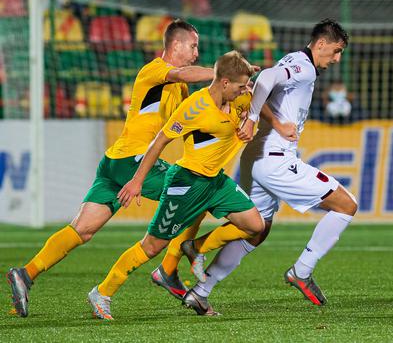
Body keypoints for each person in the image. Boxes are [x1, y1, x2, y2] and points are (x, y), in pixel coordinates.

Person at [6, 19, 215, 318]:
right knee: (198, 194)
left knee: (83, 230)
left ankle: (25, 274)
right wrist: (221, 73)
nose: (196, 53)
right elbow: (184, 72)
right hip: (133, 162)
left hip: (115, 162)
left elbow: (190, 122)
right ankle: (166, 271)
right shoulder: (154, 70)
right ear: (176, 45)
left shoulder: (179, 87)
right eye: (193, 46)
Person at [171, 19, 355, 314]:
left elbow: (259, 86)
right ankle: (302, 271)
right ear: (321, 44)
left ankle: (200, 290)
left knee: (256, 231)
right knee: (346, 205)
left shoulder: (294, 61)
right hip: (276, 160)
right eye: (336, 51)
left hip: (255, 158)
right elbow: (266, 77)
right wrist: (256, 118)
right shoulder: (304, 67)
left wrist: (267, 117)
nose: (337, 59)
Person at [87, 51, 264, 320]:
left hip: (215, 182)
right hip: (186, 183)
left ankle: (194, 247)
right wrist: (136, 181)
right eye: (241, 86)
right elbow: (159, 141)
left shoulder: (241, 98)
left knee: (255, 225)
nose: (245, 91)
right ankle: (102, 292)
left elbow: (257, 104)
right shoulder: (195, 108)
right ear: (225, 82)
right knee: (152, 246)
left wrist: (251, 123)